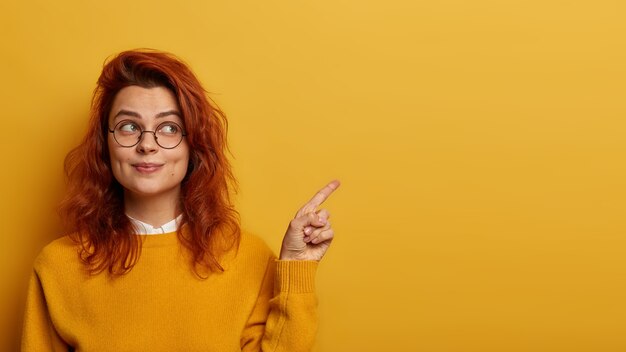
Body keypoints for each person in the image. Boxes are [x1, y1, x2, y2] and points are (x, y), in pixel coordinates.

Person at [21, 49, 340, 352]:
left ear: (194, 145)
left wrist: (297, 266)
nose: (147, 144)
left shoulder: (250, 258)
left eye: (169, 128)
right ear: (105, 143)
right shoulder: (58, 266)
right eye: (129, 127)